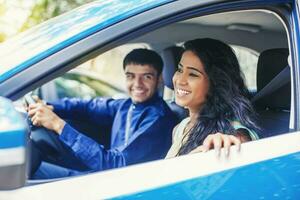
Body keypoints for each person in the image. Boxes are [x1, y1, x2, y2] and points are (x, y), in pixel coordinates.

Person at [28, 48, 178, 178]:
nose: (137, 84)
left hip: (120, 185)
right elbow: (87, 107)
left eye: (146, 77)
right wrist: (48, 106)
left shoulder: (158, 120)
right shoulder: (126, 105)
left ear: (159, 80)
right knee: (34, 172)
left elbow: (116, 164)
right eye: (130, 76)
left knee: (31, 174)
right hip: (102, 175)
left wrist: (57, 124)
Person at [165, 38, 260, 158]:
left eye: (193, 74)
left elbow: (235, 145)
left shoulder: (234, 134)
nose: (180, 80)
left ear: (216, 83)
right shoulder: (180, 128)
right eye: (180, 69)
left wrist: (223, 141)